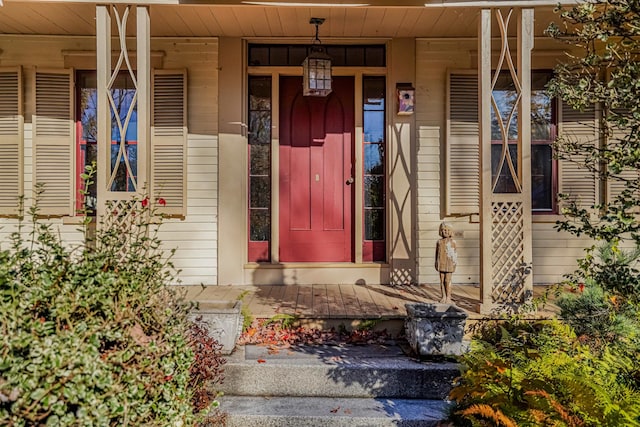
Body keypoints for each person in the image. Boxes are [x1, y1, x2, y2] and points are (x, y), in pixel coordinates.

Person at [435, 222, 457, 304]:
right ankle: (443, 296)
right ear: (440, 231)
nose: (446, 232)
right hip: (441, 262)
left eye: (448, 230)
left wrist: (454, 264)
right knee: (442, 280)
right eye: (444, 230)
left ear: (451, 231)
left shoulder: (453, 242)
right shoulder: (439, 242)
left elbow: (455, 254)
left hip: (450, 263)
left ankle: (448, 297)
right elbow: (436, 254)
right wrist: (436, 262)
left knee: (448, 280)